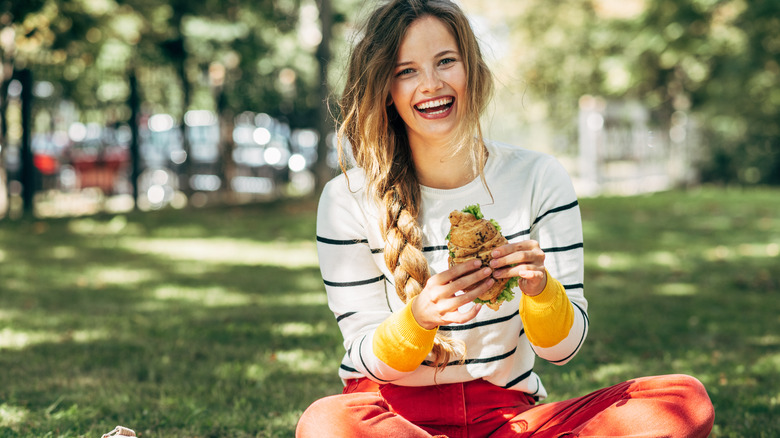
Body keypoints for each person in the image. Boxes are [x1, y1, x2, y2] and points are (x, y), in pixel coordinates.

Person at [297, 0, 715, 436]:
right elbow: (365, 355)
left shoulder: (539, 177)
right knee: (326, 422)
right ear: (385, 88)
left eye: (446, 62)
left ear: (471, 69)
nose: (432, 84)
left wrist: (540, 289)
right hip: (392, 420)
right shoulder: (347, 199)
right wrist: (419, 318)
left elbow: (563, 351)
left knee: (682, 400)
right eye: (407, 71)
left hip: (507, 420)